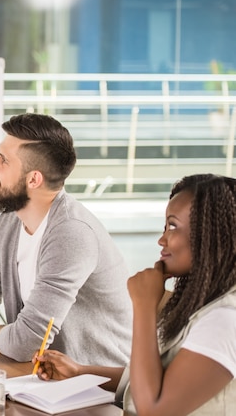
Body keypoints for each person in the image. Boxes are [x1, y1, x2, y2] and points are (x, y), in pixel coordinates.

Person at [0, 113, 132, 365]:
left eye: (3, 160)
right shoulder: (9, 223)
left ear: (33, 179)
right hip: (41, 378)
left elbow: (26, 343)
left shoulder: (71, 233)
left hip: (94, 388)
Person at [33, 174, 236, 415]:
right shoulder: (204, 303)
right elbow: (156, 379)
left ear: (211, 235)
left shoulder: (224, 320)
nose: (162, 239)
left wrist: (144, 305)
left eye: (172, 226)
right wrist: (80, 372)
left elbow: (152, 409)